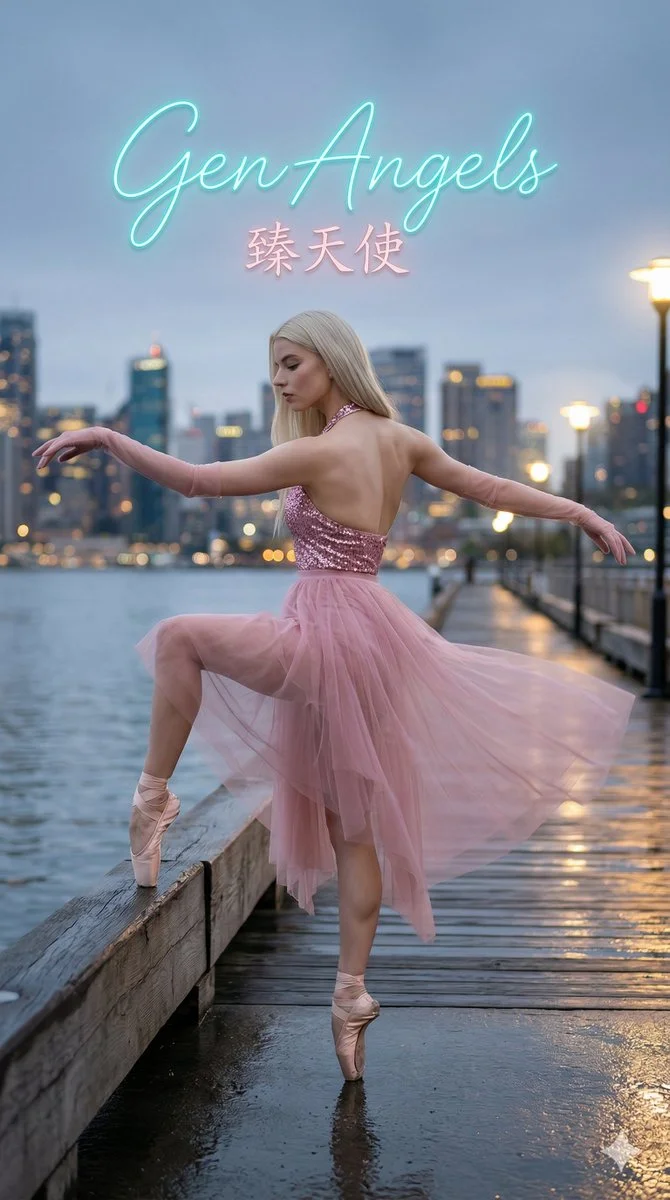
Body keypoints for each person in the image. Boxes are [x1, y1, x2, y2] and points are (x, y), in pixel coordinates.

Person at [33, 310, 636, 1083]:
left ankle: (154, 796)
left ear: (332, 361)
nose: (281, 379)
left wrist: (111, 440)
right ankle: (350, 994)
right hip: (378, 639)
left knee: (180, 638)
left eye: (292, 363)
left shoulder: (316, 450)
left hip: (324, 632)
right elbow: (491, 488)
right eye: (274, 369)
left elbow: (199, 480)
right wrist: (579, 510)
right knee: (354, 831)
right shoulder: (400, 438)